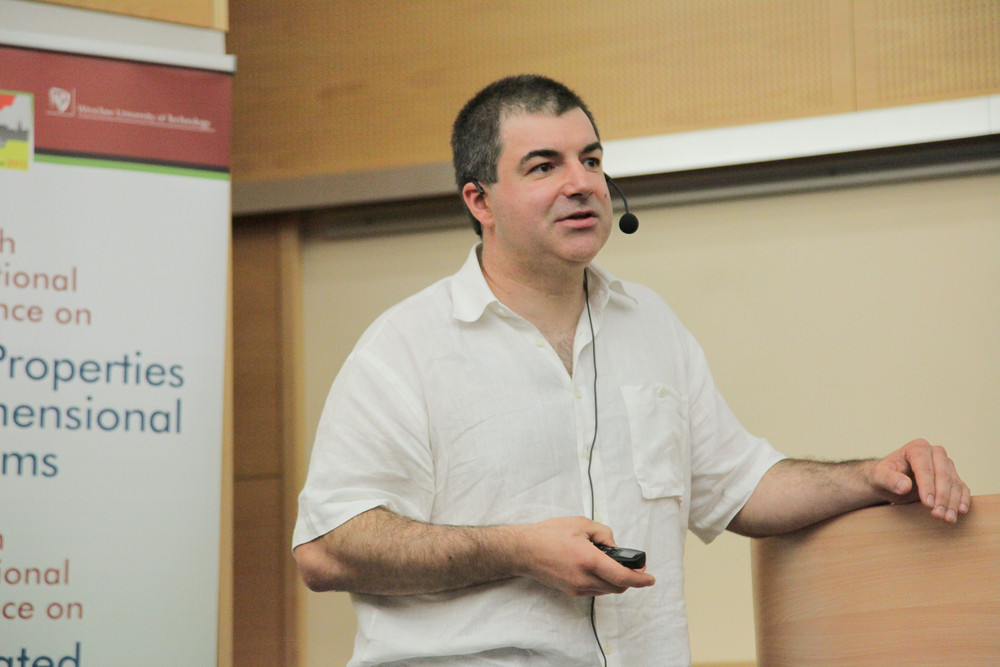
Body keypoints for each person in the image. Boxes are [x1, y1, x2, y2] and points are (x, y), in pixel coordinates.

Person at [292, 75, 971, 666]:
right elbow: (326, 549)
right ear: (480, 202)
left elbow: (741, 486)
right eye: (544, 166)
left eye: (591, 159)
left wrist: (871, 476)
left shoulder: (651, 325)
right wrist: (518, 549)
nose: (582, 183)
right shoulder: (405, 346)